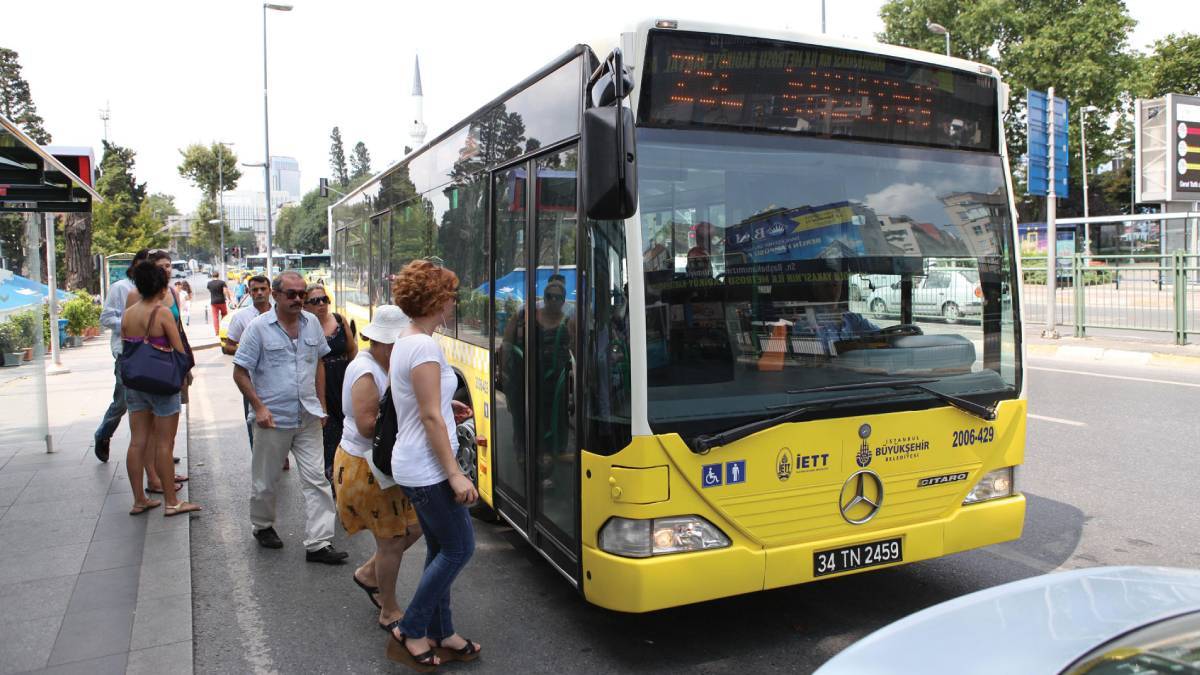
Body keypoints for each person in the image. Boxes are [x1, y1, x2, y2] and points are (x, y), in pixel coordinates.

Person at [386, 259, 481, 669]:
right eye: (452, 296)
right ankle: (411, 627)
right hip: (426, 467)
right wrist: (456, 474)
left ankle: (444, 632)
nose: (455, 304)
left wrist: (448, 403)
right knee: (461, 547)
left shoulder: (408, 339)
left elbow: (423, 404)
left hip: (415, 461)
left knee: (442, 548)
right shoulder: (423, 345)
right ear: (437, 300)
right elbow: (427, 416)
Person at [232, 271, 346, 564]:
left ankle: (319, 543)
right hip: (273, 419)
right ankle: (263, 525)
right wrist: (258, 407)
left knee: (317, 481)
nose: (298, 299)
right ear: (276, 296)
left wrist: (321, 405)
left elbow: (319, 362)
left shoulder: (311, 325)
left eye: (302, 295)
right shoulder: (258, 328)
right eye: (292, 294)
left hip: (308, 417)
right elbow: (240, 371)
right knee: (265, 482)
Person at [330, 306, 425, 629]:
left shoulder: (386, 364)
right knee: (392, 539)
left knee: (413, 527)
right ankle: (389, 609)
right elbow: (369, 426)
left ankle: (369, 574)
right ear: (385, 343)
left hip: (383, 464)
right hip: (366, 466)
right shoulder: (366, 371)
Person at [121, 261, 201, 517]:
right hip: (162, 384)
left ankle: (139, 500)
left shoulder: (129, 313)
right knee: (165, 443)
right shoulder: (162, 313)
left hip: (135, 383)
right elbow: (178, 351)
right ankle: (171, 501)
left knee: (137, 442)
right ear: (162, 286)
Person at [94, 248, 151, 463]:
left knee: (152, 404)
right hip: (127, 352)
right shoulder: (121, 288)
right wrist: (132, 323)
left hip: (152, 355)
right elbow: (107, 318)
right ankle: (103, 433)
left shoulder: (157, 290)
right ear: (135, 265)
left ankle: (155, 453)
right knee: (122, 401)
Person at [305, 284, 358, 482]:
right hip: (321, 387)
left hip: (344, 383)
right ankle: (333, 480)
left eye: (324, 299)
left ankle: (350, 477)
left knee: (349, 431)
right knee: (329, 436)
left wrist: (356, 377)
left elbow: (352, 350)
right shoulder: (305, 327)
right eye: (315, 301)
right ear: (305, 306)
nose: (321, 304)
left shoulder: (339, 320)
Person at [223, 275, 274, 453]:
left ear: (270, 291)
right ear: (249, 293)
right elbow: (228, 346)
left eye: (263, 289)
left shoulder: (282, 313)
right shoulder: (241, 318)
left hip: (280, 377)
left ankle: (280, 454)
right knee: (256, 419)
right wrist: (249, 354)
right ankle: (259, 456)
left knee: (282, 420)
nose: (259, 293)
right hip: (252, 380)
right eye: (255, 290)